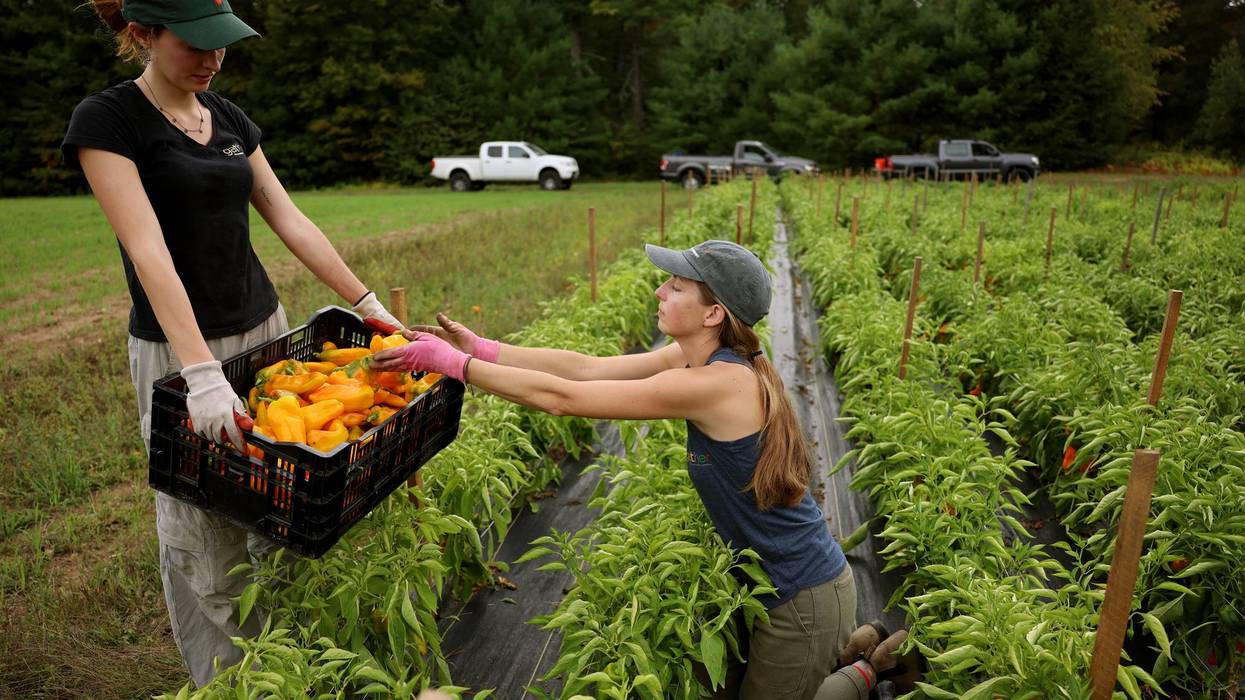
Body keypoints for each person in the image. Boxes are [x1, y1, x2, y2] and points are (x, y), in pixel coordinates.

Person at [61, 0, 402, 688]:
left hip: (264, 331)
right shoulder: (108, 121)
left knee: (277, 495)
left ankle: (287, 653)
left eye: (223, 46)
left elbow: (290, 218)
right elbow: (147, 251)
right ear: (143, 35)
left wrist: (367, 305)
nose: (213, 60)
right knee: (201, 515)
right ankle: (232, 680)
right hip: (182, 348)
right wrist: (201, 374)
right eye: (196, 45)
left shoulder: (230, 118)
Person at [373, 239, 856, 700]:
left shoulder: (719, 382)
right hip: (773, 588)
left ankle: (868, 670)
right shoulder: (700, 358)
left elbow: (566, 399)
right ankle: (861, 655)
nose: (659, 291)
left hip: (802, 598)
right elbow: (585, 369)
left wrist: (457, 366)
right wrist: (482, 348)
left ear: (713, 314)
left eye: (677, 285)